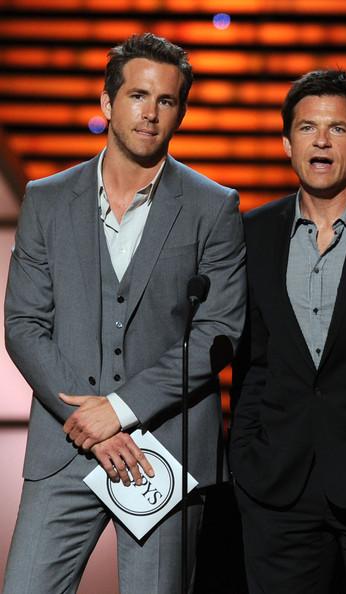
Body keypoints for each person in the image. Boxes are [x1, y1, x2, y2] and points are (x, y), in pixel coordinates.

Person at [3, 32, 245, 594]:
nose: (151, 113)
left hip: (163, 451)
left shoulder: (214, 206)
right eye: (138, 96)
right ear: (108, 103)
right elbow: (24, 324)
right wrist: (93, 425)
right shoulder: (46, 198)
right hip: (64, 447)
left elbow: (220, 331)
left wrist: (121, 409)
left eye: (166, 100)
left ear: (180, 110)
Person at [229, 69, 346, 593]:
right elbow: (253, 359)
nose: (320, 140)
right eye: (307, 127)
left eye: (336, 129)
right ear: (286, 141)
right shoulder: (251, 232)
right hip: (276, 486)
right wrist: (243, 454)